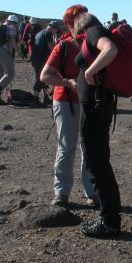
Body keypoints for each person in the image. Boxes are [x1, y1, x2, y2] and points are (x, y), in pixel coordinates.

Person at [63, 4, 122, 239]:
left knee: (96, 162)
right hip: (101, 102)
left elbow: (111, 50)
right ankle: (109, 217)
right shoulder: (96, 31)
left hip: (96, 104)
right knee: (99, 160)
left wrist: (89, 72)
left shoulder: (92, 32)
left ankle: (109, 222)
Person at [40, 25, 98, 209]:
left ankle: (89, 192)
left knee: (86, 146)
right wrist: (67, 82)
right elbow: (45, 75)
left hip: (86, 101)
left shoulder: (94, 45)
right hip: (66, 101)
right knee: (68, 146)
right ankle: (62, 192)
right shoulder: (63, 46)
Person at [30, 20, 63, 105]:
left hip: (36, 58)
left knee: (42, 77)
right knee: (40, 78)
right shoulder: (48, 33)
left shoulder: (40, 32)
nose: (56, 32)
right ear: (54, 28)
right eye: (56, 30)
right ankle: (35, 98)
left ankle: (45, 97)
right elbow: (51, 46)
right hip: (40, 59)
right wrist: (59, 51)